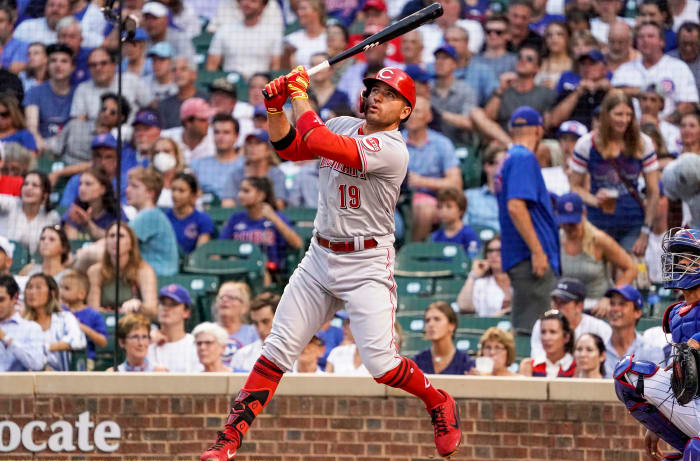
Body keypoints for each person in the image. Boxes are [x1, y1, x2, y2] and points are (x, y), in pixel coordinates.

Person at [201, 66, 463, 461]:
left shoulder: (393, 149)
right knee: (276, 350)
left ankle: (438, 400)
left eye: (388, 94)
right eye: (373, 88)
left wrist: (298, 94)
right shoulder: (343, 122)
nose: (376, 96)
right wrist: (275, 110)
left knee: (383, 366)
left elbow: (319, 139)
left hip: (366, 262)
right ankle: (227, 441)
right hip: (320, 256)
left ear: (405, 111)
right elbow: (292, 147)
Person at [614, 228, 700, 460]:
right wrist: (656, 426)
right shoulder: (676, 314)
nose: (680, 262)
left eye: (688, 257)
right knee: (628, 374)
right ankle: (681, 439)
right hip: (692, 400)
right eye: (678, 257)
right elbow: (680, 370)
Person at [568, 90, 660, 255]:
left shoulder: (643, 143)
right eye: (618, 114)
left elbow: (653, 191)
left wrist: (645, 232)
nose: (624, 120)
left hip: (632, 222)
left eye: (628, 114)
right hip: (598, 222)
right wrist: (595, 200)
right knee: (598, 276)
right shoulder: (587, 144)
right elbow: (574, 186)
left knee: (626, 273)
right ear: (606, 115)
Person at [495, 106, 560, 335]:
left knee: (531, 330)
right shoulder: (524, 157)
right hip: (530, 259)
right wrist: (537, 251)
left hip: (520, 256)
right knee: (535, 334)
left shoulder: (508, 158)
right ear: (538, 130)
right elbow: (516, 207)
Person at [557, 192, 637, 313]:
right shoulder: (556, 239)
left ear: (583, 214)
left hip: (596, 308)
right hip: (566, 308)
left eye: (573, 223)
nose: (569, 227)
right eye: (565, 223)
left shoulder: (599, 239)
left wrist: (611, 297)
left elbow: (631, 268)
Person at [404, 96, 462, 242]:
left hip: (434, 199)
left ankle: (410, 254)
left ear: (428, 117)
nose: (412, 116)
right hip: (398, 200)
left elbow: (456, 183)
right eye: (408, 111)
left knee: (425, 208)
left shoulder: (441, 143)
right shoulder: (394, 141)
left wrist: (421, 181)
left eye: (417, 112)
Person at [612, 22, 699, 119]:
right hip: (629, 129)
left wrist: (663, 123)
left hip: (668, 129)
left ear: (662, 42)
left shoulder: (678, 67)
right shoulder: (624, 69)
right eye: (641, 37)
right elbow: (612, 96)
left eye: (650, 36)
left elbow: (689, 104)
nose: (645, 40)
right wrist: (641, 91)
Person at [219, 177, 302, 275]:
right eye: (240, 190)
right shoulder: (235, 218)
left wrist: (274, 219)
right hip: (238, 269)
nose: (240, 195)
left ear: (260, 195)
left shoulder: (277, 217)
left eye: (246, 191)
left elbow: (298, 244)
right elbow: (220, 247)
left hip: (270, 272)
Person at [86, 222, 158, 317]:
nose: (115, 240)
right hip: (104, 323)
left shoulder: (144, 271)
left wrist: (139, 306)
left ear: (131, 244)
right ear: (106, 242)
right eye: (111, 236)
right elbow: (93, 310)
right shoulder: (95, 271)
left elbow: (152, 309)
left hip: (133, 322)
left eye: (121, 236)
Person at [529, 277, 612, 358]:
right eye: (555, 302)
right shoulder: (542, 324)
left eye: (563, 303)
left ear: (579, 306)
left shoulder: (600, 328)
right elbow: (538, 359)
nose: (556, 307)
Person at [70, 47, 154, 122]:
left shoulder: (131, 80)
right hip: (96, 136)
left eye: (103, 63)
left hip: (131, 134)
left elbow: (152, 105)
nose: (98, 68)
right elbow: (78, 123)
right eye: (93, 65)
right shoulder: (82, 89)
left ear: (113, 65)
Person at [48, 92, 131, 168]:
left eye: (112, 112)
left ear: (121, 118)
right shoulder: (75, 125)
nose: (106, 114)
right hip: (61, 169)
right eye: (104, 109)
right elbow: (54, 153)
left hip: (92, 178)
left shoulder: (119, 140)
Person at [485, 45, 558, 131]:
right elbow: (487, 119)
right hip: (504, 139)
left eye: (529, 59)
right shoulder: (502, 90)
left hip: (531, 139)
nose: (523, 61)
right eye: (520, 57)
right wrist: (500, 90)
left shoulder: (546, 93)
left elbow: (548, 125)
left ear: (537, 68)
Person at [24, 273, 86, 371]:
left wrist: (45, 348)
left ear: (52, 293)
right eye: (29, 287)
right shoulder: (22, 322)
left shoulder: (65, 318)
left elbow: (77, 340)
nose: (32, 292)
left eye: (38, 287)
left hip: (61, 379)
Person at [205, 0, 282, 78]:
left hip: (260, 85)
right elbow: (212, 65)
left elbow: (276, 66)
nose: (246, 3)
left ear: (262, 6)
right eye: (244, 0)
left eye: (253, 1)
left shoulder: (273, 33)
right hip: (231, 84)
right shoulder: (225, 30)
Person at [125, 167, 179, 276]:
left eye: (134, 186)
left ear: (150, 193)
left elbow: (118, 241)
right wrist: (88, 225)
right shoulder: (151, 214)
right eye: (128, 185)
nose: (127, 190)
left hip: (160, 277)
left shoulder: (150, 215)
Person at [604, 284, 665, 376]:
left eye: (622, 304)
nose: (615, 309)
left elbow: (656, 388)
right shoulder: (596, 349)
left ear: (637, 312)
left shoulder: (652, 351)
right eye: (612, 304)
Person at [23, 43, 75, 148]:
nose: (58, 65)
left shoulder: (79, 93)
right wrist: (42, 145)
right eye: (53, 61)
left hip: (70, 147)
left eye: (64, 61)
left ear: (72, 67)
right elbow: (32, 127)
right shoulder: (34, 92)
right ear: (47, 65)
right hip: (41, 147)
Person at [221, 131, 287, 208]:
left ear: (268, 150)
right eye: (249, 143)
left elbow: (279, 204)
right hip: (241, 218)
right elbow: (227, 204)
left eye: (258, 143)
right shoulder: (236, 174)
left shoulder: (277, 174)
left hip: (269, 218)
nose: (252, 147)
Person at [0, 170, 60, 255]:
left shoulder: (52, 217)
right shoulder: (10, 203)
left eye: (35, 185)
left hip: (33, 265)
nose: (28, 188)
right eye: (25, 184)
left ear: (45, 194)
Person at [147, 284, 202, 372]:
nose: (166, 308)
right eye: (162, 303)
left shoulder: (195, 344)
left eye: (173, 304)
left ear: (186, 312)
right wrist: (148, 341)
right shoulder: (146, 342)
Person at [550, 49, 611, 129]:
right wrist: (578, 92)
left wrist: (609, 90)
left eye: (592, 63)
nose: (587, 68)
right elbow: (554, 121)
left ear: (605, 69)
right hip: (570, 137)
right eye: (583, 64)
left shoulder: (609, 92)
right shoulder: (569, 91)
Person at [59, 270, 107, 369]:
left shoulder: (93, 314)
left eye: (66, 288)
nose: (61, 292)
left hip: (85, 359)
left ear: (81, 294)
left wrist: (83, 328)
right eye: (61, 287)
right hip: (60, 357)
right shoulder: (59, 311)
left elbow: (103, 342)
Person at [190, 114, 242, 201]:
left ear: (236, 136)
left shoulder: (246, 165)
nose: (220, 137)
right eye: (217, 132)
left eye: (226, 132)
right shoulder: (197, 165)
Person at [414, 301, 476, 375]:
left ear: (452, 325)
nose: (430, 324)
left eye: (437, 319)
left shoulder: (467, 364)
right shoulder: (416, 362)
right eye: (427, 320)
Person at [457, 235, 512, 317]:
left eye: (499, 250)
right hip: (488, 328)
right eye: (490, 251)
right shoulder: (481, 283)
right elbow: (464, 307)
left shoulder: (521, 280)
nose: (493, 254)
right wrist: (473, 275)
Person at [63, 167, 124, 241]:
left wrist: (87, 224)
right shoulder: (75, 210)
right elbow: (72, 242)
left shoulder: (115, 212)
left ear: (102, 189)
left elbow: (117, 239)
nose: (81, 188)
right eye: (80, 184)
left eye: (88, 184)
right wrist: (70, 225)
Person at [0, 274, 45, 371]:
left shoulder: (31, 328)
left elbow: (37, 364)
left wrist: (5, 338)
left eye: (1, 300)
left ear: (15, 298)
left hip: (13, 384)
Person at [165, 172, 214, 255]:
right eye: (173, 190)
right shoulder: (164, 218)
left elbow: (200, 253)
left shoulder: (203, 219)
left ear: (192, 195)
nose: (175, 194)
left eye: (181, 191)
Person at [230, 292, 280, 372]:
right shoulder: (241, 356)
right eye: (256, 323)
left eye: (265, 321)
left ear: (279, 320)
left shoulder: (301, 353)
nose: (260, 329)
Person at [214, 281, 259, 367]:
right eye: (221, 297)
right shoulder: (207, 331)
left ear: (245, 307)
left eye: (231, 297)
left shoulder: (254, 332)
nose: (224, 300)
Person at [520, 309, 576, 377]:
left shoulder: (575, 368)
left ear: (566, 337)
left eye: (553, 332)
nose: (546, 338)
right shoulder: (528, 365)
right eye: (543, 332)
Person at [157, 57, 208, 129]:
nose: (178, 73)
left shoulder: (207, 100)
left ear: (194, 74)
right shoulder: (164, 105)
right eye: (174, 70)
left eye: (183, 69)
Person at [161, 97, 216, 164]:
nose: (208, 123)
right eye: (203, 120)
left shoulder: (216, 138)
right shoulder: (166, 138)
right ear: (187, 122)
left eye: (208, 119)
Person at [464, 146, 504, 232]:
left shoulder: (515, 199)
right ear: (487, 167)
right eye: (501, 164)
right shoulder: (469, 196)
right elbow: (462, 230)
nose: (505, 168)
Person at [430, 188, 479, 253]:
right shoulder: (436, 236)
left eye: (449, 207)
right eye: (439, 207)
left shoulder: (469, 234)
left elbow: (472, 258)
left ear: (461, 210)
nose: (443, 211)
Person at [283, 0, 326, 69]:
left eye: (303, 9)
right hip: (301, 78)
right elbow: (284, 68)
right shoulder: (292, 39)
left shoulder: (330, 36)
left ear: (317, 11)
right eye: (298, 9)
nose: (299, 13)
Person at [475, 14, 518, 79]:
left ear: (508, 35)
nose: (492, 35)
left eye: (498, 32)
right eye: (488, 31)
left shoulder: (516, 62)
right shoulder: (473, 61)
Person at [148, 137, 186, 208]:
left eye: (166, 151)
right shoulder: (147, 182)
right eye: (157, 152)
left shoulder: (186, 179)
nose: (161, 156)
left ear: (176, 155)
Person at [535, 21, 573, 89]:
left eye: (559, 34)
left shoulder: (575, 64)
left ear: (567, 38)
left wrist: (557, 87)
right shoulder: (537, 62)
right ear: (545, 39)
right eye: (549, 35)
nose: (554, 38)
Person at [668, 22, 700, 96]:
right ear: (678, 40)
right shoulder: (667, 61)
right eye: (684, 43)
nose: (688, 48)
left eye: (692, 43)